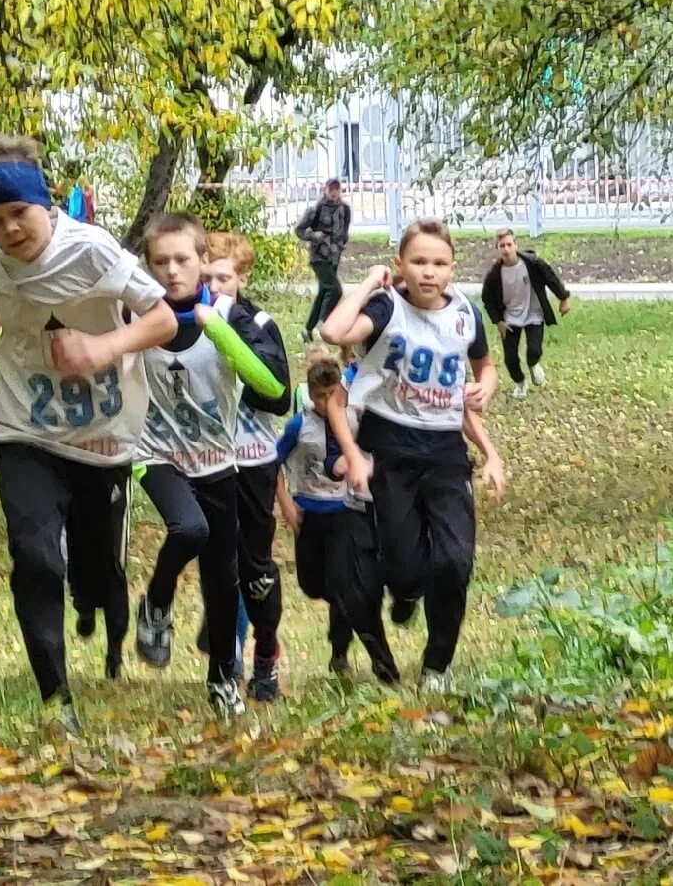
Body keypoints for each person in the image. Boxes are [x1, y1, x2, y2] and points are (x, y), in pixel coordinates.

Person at [0, 133, 177, 735]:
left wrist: (102, 347)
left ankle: (94, 597)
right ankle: (56, 699)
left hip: (102, 435)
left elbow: (163, 318)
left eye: (19, 213)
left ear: (46, 204)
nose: (10, 230)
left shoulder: (93, 252)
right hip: (26, 428)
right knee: (35, 555)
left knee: (95, 575)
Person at [318, 219, 502, 693]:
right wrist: (366, 284)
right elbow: (335, 331)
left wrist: (485, 388)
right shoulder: (386, 307)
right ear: (400, 265)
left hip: (444, 450)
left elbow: (485, 365)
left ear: (453, 268)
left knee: (455, 561)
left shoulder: (465, 312)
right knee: (403, 571)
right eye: (418, 262)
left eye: (439, 264)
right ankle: (407, 591)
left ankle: (436, 666)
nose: (429, 273)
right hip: (391, 446)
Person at [132, 214, 289, 716]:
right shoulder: (134, 312)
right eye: (161, 261)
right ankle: (156, 603)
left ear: (203, 261)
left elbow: (273, 389)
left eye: (183, 259)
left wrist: (218, 331)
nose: (172, 271)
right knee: (189, 528)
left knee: (224, 581)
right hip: (154, 455)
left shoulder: (228, 314)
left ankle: (223, 679)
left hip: (216, 461)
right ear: (148, 266)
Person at [199, 230, 291, 701]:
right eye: (206, 277)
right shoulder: (185, 317)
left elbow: (280, 396)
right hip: (204, 459)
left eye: (223, 277)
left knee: (253, 567)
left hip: (251, 460)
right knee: (216, 559)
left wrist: (230, 339)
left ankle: (267, 650)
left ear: (242, 277)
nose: (214, 287)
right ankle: (225, 656)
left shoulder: (259, 322)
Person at [275, 352, 399, 685]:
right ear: (310, 394)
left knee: (346, 585)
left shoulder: (352, 420)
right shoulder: (300, 425)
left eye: (332, 396)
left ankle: (345, 653)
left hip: (345, 513)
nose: (326, 403)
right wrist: (286, 503)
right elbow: (273, 461)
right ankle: (342, 624)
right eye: (319, 397)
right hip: (309, 514)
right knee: (315, 584)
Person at [480, 228, 572, 399]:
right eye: (502, 246)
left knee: (534, 350)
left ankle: (533, 364)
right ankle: (520, 383)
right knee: (511, 359)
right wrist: (498, 321)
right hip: (510, 318)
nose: (506, 249)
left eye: (509, 244)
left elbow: (550, 278)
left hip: (533, 314)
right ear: (497, 249)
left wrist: (563, 298)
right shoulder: (494, 275)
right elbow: (487, 299)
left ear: (516, 245)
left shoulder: (533, 263)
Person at [294, 178, 352, 344]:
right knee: (335, 289)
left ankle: (307, 330)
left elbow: (344, 231)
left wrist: (340, 245)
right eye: (331, 189)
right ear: (325, 190)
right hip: (319, 256)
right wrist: (313, 236)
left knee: (323, 293)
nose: (334, 193)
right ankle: (323, 322)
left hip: (334, 257)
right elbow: (299, 230)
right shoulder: (316, 209)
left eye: (337, 189)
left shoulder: (345, 209)